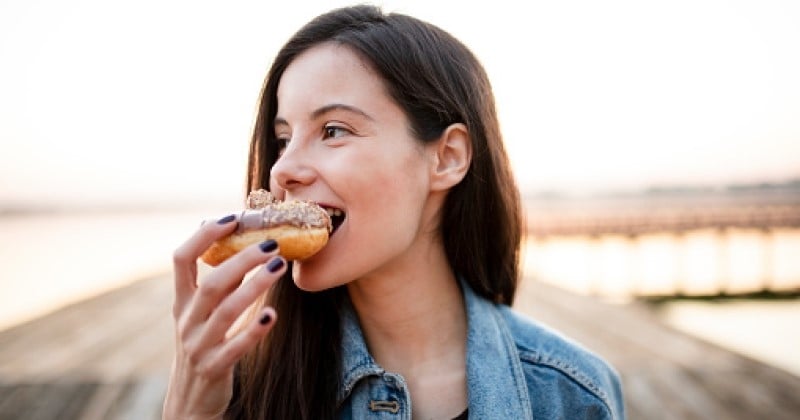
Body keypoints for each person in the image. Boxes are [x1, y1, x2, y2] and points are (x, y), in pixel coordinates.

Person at [164, 4, 625, 419]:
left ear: (447, 157)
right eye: (283, 139)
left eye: (333, 130)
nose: (283, 169)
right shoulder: (240, 392)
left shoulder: (571, 396)